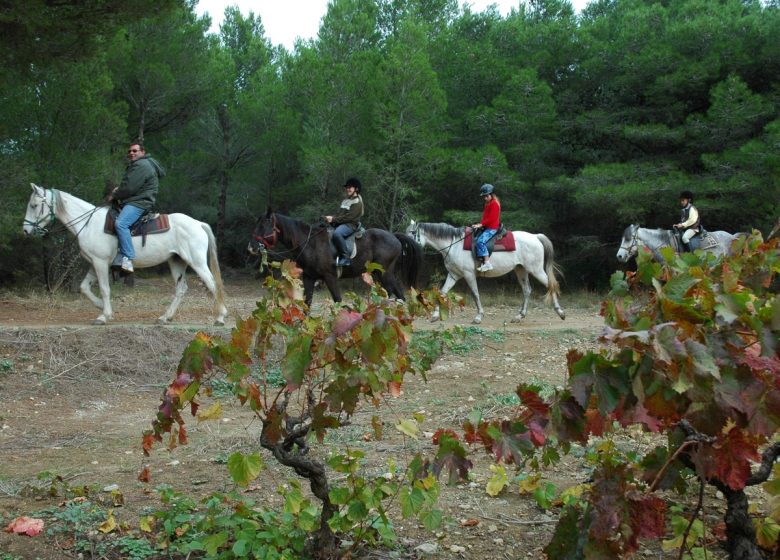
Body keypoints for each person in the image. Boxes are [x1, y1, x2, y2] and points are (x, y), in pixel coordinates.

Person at [108, 141, 165, 273]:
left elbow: (130, 187)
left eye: (135, 151)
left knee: (121, 223)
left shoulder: (141, 164)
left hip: (139, 202)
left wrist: (115, 194)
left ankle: (128, 258)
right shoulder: (143, 164)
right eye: (130, 151)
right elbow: (131, 185)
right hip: (138, 199)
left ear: (142, 152)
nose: (131, 153)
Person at [324, 177, 364, 267]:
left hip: (350, 225)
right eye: (347, 187)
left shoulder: (357, 202)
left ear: (356, 189)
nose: (348, 189)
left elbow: (349, 218)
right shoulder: (346, 200)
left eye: (350, 187)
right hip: (341, 223)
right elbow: (340, 215)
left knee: (337, 234)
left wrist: (333, 219)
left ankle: (345, 258)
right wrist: (330, 219)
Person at [471, 183, 501, 272]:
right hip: (487, 226)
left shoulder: (494, 204)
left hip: (492, 227)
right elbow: (485, 218)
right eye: (484, 196)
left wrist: (481, 225)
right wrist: (479, 224)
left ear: (491, 194)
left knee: (480, 242)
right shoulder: (488, 203)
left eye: (486, 196)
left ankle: (487, 263)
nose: (485, 198)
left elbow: (492, 218)